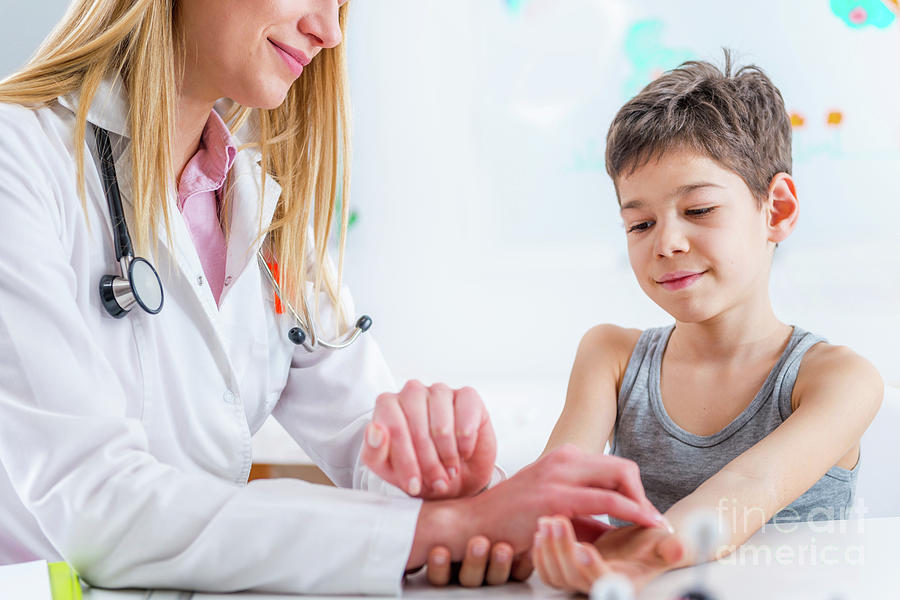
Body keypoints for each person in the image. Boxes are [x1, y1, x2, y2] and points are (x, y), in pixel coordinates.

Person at [0, 0, 669, 595]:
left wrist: (442, 479)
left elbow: (365, 433)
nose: (329, 30)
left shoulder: (257, 204)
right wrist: (448, 526)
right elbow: (94, 505)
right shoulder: (20, 159)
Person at [529, 53, 884, 594]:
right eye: (640, 223)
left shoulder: (839, 380)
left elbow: (748, 486)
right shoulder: (611, 356)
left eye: (698, 211)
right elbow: (554, 490)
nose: (666, 242)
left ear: (778, 210)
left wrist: (642, 551)